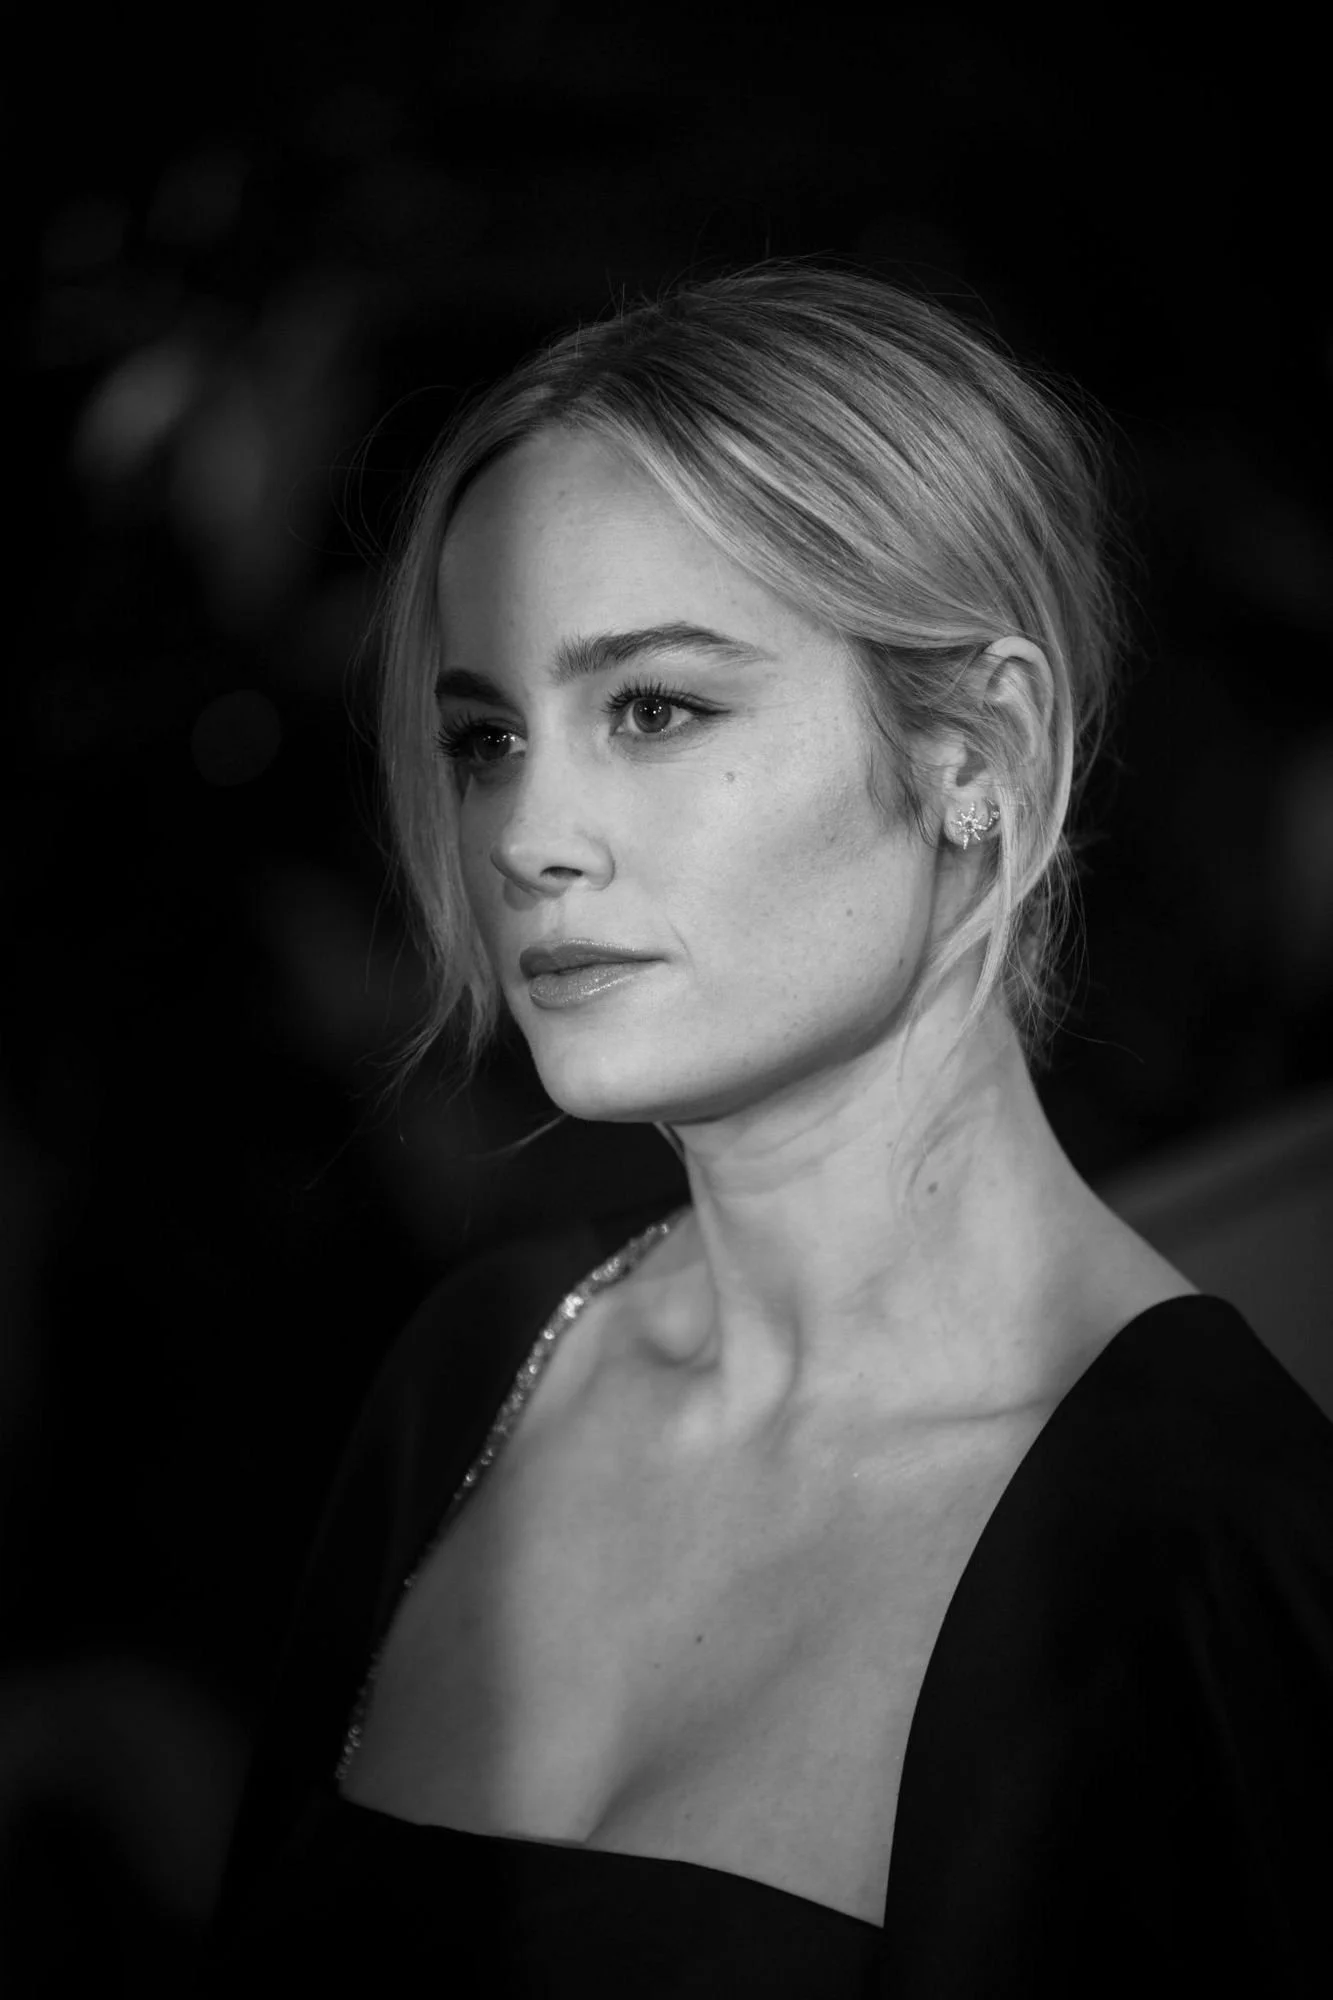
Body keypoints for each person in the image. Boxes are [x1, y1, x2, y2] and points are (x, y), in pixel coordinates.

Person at [203, 260, 1333, 1996]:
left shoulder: (1208, 1549)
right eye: (486, 736)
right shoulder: (476, 1377)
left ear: (982, 748)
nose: (529, 835)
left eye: (654, 708)